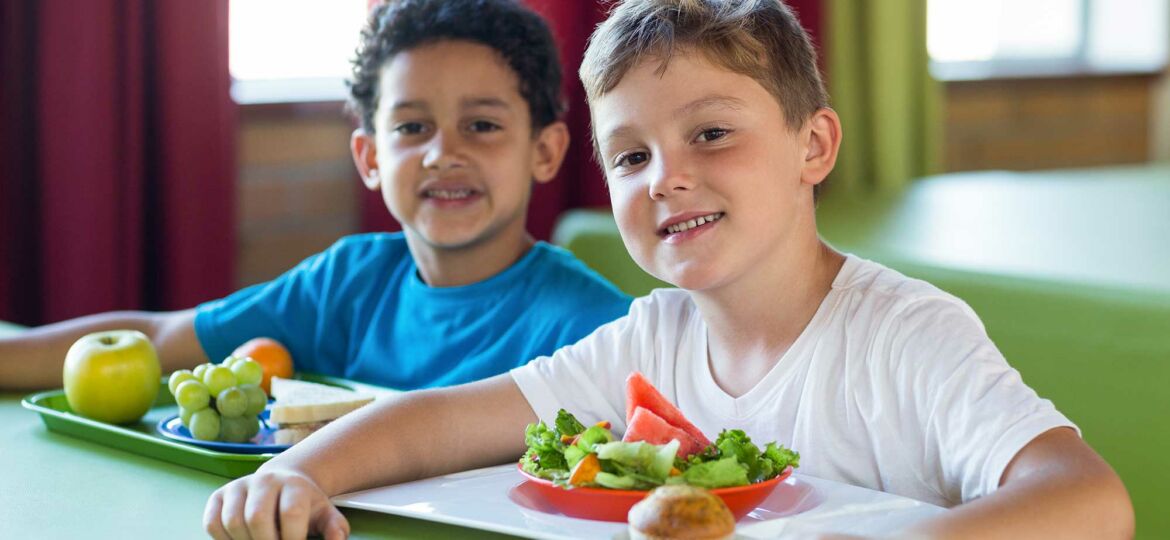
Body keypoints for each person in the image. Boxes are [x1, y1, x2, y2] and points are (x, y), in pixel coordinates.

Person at [204, 1, 1135, 538]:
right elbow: (442, 421)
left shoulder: (905, 332)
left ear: (813, 147)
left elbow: (1092, 500)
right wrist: (297, 473)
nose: (668, 176)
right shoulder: (652, 337)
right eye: (631, 156)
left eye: (712, 134)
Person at [0, 0, 631, 392]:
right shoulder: (345, 282)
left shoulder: (596, 328)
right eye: (412, 127)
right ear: (371, 157)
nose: (443, 153)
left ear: (545, 150)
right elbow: (162, 341)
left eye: (483, 125)